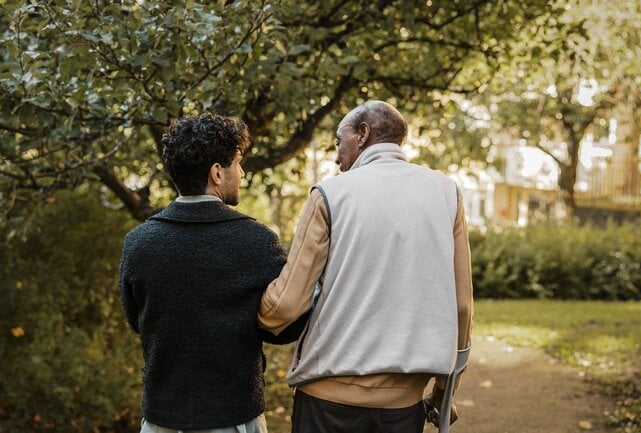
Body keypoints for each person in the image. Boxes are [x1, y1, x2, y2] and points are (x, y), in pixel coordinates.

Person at [258, 101, 474, 433]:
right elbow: (461, 307)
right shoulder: (447, 193)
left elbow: (287, 303)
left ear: (362, 134)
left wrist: (253, 317)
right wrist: (444, 393)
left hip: (326, 401)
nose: (335, 155)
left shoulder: (329, 193)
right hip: (402, 407)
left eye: (337, 141)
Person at [118, 113, 306, 433]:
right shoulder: (257, 241)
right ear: (217, 173)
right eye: (238, 163)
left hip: (161, 419)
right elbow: (286, 329)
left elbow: (137, 321)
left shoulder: (138, 243)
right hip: (233, 419)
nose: (242, 172)